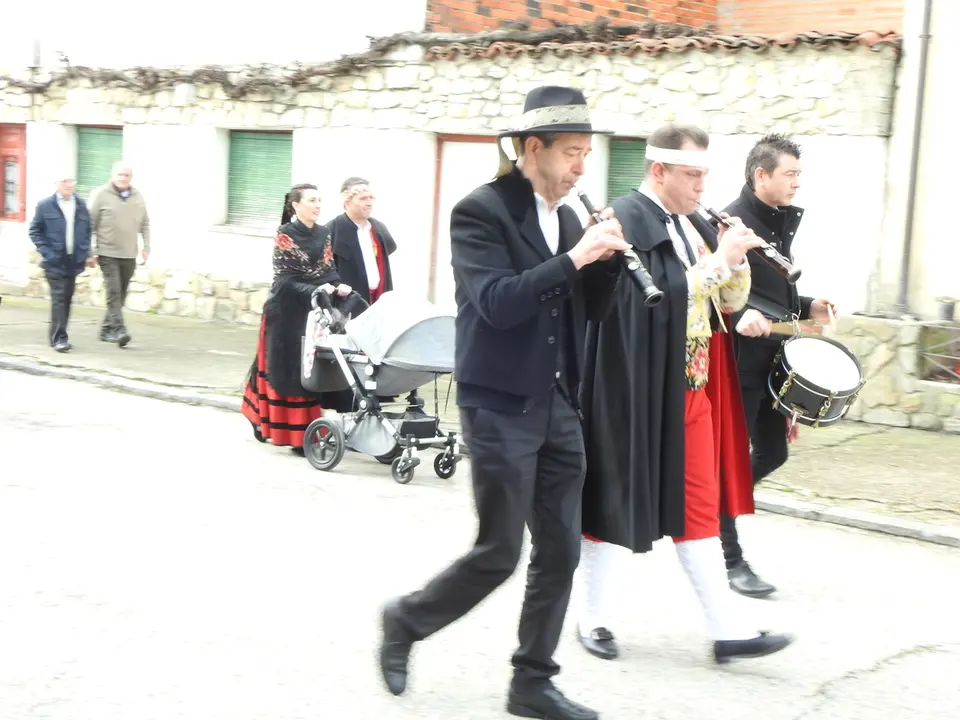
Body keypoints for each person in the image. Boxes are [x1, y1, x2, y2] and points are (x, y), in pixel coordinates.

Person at [377, 86, 629, 720]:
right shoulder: (480, 213)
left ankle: (532, 681)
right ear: (532, 149)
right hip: (498, 405)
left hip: (557, 404)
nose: (581, 167)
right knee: (499, 552)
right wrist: (576, 257)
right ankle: (406, 620)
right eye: (572, 153)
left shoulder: (570, 216)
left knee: (563, 548)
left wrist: (608, 264)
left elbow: (583, 311)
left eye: (585, 154)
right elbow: (498, 303)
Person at [573, 123, 793, 665]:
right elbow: (649, 299)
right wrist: (720, 261)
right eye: (691, 175)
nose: (701, 186)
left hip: (690, 384)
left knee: (700, 502)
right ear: (659, 171)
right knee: (615, 498)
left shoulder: (690, 222)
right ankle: (593, 618)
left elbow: (723, 301)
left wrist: (737, 260)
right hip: (632, 386)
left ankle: (728, 630)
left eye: (704, 174)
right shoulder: (622, 220)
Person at [719, 134, 838, 597]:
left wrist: (810, 307)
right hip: (736, 362)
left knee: (773, 452)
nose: (797, 184)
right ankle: (729, 558)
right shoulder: (732, 223)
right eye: (790, 174)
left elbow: (772, 293)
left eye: (798, 175)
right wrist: (739, 314)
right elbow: (714, 292)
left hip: (771, 360)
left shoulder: (777, 220)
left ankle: (713, 509)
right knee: (731, 462)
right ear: (761, 175)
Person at [241, 184, 359, 454]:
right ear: (295, 205)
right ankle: (284, 432)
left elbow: (328, 271)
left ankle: (308, 433)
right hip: (285, 311)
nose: (317, 205)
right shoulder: (285, 234)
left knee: (312, 371)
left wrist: (338, 286)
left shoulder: (324, 233)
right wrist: (316, 289)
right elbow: (285, 280)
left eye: (319, 200)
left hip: (314, 311)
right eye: (311, 200)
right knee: (288, 372)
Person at [323, 177, 422, 415]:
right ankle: (348, 405)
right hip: (349, 302)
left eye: (371, 197)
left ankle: (377, 397)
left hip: (377, 299)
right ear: (347, 200)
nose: (369, 202)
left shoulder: (377, 228)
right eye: (363, 198)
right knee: (351, 353)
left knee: (377, 350)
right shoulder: (332, 229)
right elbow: (326, 267)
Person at [27, 174, 94, 353]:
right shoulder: (45, 206)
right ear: (56, 184)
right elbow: (35, 232)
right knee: (59, 298)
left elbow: (87, 231)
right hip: (54, 261)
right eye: (64, 181)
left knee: (67, 299)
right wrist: (48, 253)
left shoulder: (80, 205)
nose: (69, 185)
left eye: (71, 181)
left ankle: (56, 336)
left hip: (73, 261)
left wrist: (87, 253)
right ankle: (60, 339)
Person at [88, 161, 150, 348]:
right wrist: (91, 251)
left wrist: (146, 246)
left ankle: (106, 330)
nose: (123, 178)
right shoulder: (100, 194)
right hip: (107, 252)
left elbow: (145, 223)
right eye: (120, 175)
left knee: (121, 293)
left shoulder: (137, 196)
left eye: (127, 175)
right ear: (113, 175)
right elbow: (90, 224)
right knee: (114, 290)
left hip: (129, 253)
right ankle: (119, 329)